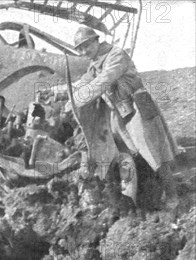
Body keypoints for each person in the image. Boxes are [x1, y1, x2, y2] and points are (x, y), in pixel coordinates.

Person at [51, 26, 179, 210]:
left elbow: (103, 81)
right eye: (80, 49)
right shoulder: (94, 64)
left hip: (136, 109)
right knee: (122, 151)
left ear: (96, 40)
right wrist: (54, 93)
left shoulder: (115, 55)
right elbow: (81, 84)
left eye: (87, 45)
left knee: (153, 153)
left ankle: (173, 196)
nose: (84, 51)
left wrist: (76, 100)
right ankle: (143, 194)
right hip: (119, 113)